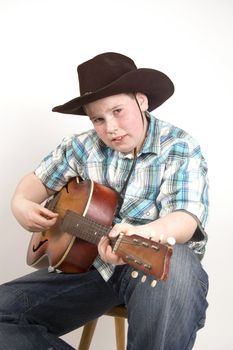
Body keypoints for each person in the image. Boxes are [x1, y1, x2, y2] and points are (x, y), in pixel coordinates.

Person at [0, 52, 209, 350]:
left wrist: (144, 233)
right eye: (98, 118)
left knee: (177, 264)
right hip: (89, 271)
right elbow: (37, 181)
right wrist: (19, 202)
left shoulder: (179, 147)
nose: (110, 127)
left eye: (118, 111)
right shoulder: (80, 147)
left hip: (152, 267)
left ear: (142, 100)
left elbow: (186, 218)